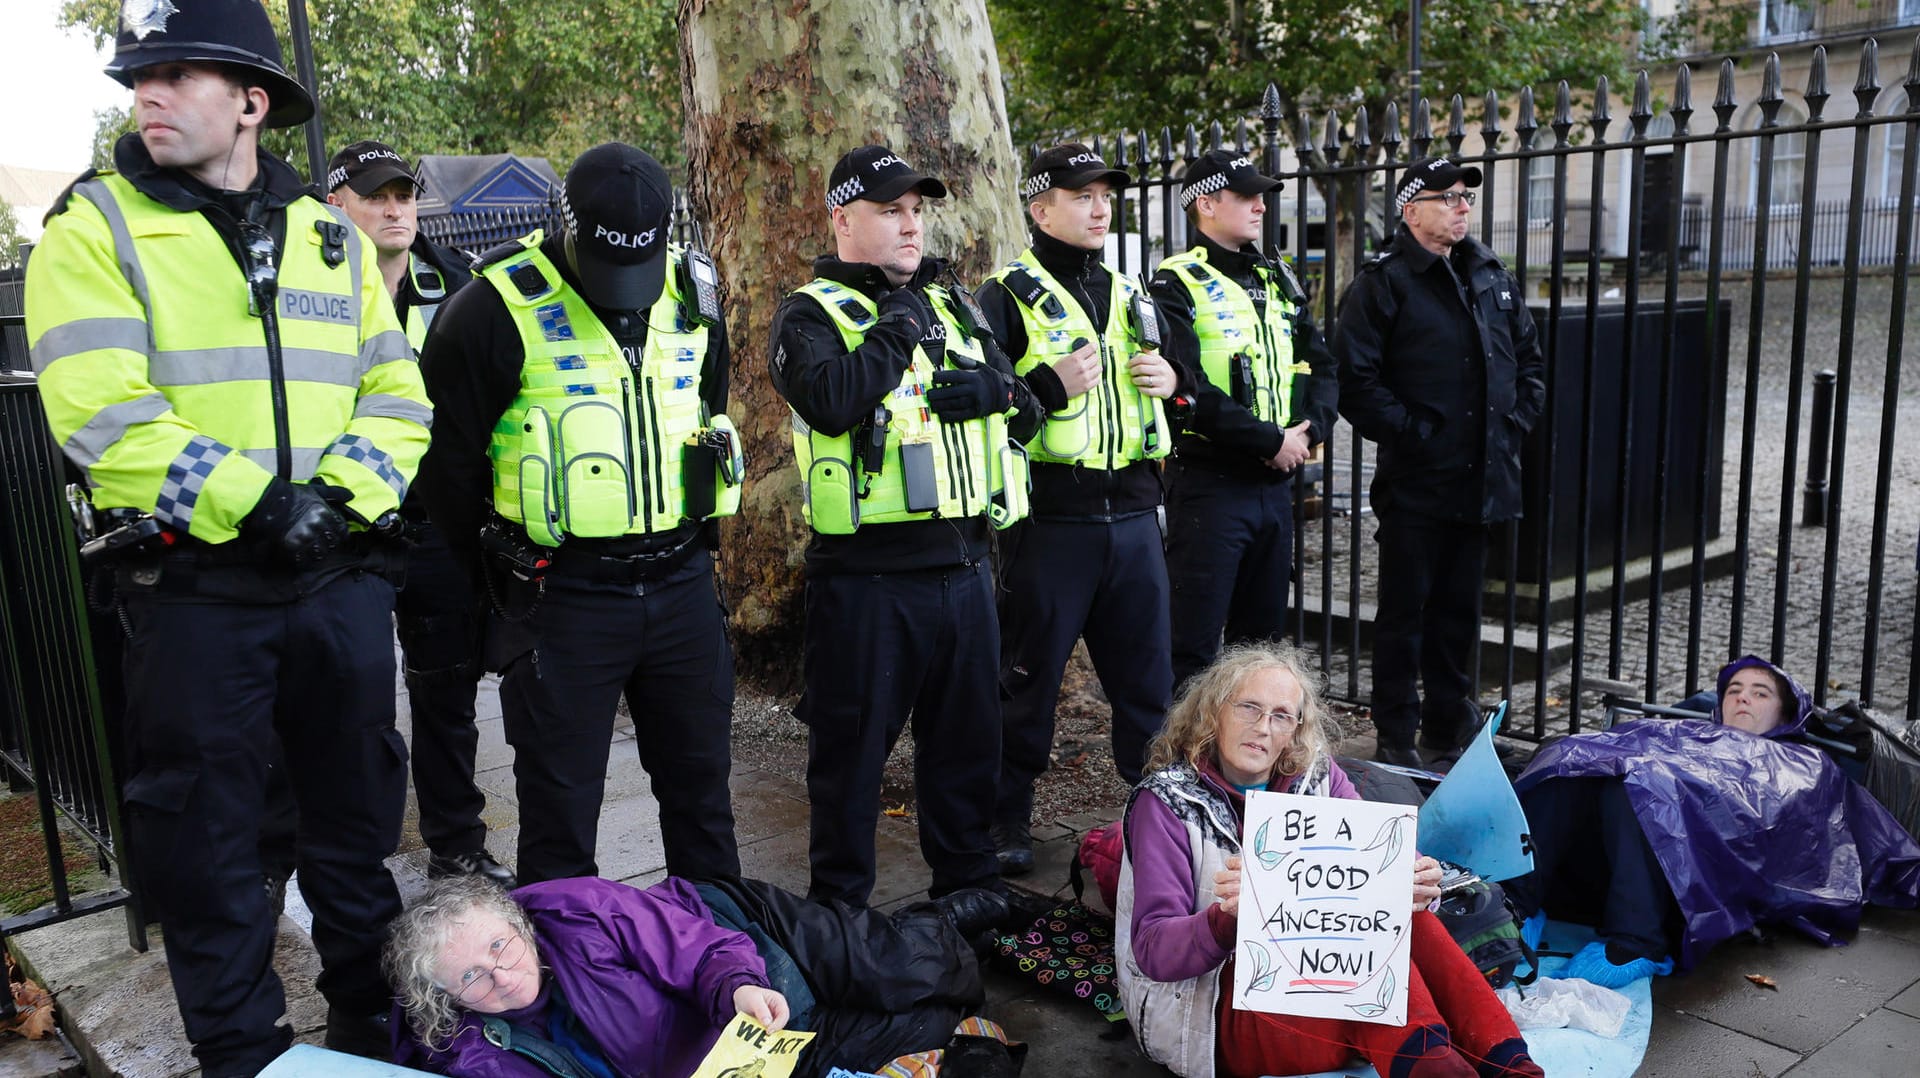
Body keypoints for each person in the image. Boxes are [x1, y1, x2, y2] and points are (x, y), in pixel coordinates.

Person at [22, 2, 431, 1072]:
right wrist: (258, 504)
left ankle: (369, 1035)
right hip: (196, 595)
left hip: (336, 584)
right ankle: (248, 1058)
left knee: (353, 837)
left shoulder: (328, 235)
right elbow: (101, 412)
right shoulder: (94, 230)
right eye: (139, 79)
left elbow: (398, 396)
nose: (148, 95)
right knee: (209, 855)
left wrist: (336, 500)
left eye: (176, 75)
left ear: (251, 102)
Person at [415, 143, 744, 886]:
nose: (623, 292)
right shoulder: (489, 309)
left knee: (702, 800)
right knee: (561, 816)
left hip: (683, 584)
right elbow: (445, 470)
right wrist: (502, 579)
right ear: (568, 228)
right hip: (562, 598)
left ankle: (725, 970)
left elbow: (705, 414)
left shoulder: (695, 295)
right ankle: (572, 983)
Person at [767, 145, 1042, 907]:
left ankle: (969, 892)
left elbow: (1033, 408)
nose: (911, 226)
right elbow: (830, 398)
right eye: (892, 211)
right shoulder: (807, 313)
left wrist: (997, 390)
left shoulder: (955, 302)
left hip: (964, 572)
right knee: (851, 761)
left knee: (965, 753)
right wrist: (897, 325)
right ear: (843, 219)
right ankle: (842, 914)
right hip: (868, 584)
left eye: (917, 210)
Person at [1116, 644, 1543, 1078]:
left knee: (1405, 916)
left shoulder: (1317, 777)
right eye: (1249, 708)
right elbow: (1155, 953)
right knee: (1371, 977)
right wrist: (1228, 919)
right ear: (1213, 711)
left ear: (1296, 728)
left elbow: (1381, 861)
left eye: (1282, 715)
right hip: (1209, 1011)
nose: (1263, 728)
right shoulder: (1165, 803)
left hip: (1316, 975)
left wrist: (1418, 879)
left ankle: (1515, 1066)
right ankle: (1438, 1066)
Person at [975, 143, 1177, 875]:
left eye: (1105, 195)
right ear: (1039, 208)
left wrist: (1170, 378)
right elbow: (985, 412)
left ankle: (1161, 822)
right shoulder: (1002, 296)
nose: (1100, 207)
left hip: (1131, 517)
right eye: (1081, 194)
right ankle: (1005, 820)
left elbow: (1172, 397)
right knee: (1024, 681)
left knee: (1149, 688)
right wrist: (1047, 384)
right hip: (1052, 524)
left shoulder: (1130, 291)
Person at [324, 139, 511, 887]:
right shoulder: (305, 295)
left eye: (405, 193)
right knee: (353, 707)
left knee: (447, 692)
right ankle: (349, 856)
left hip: (437, 526)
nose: (397, 206)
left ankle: (456, 842)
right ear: (336, 204)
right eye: (376, 195)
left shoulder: (462, 285)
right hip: (348, 530)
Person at [1507, 656, 1920, 987]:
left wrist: (1661, 780)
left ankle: (1638, 941)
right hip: (1623, 850)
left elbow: (1786, 828)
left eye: (1760, 693)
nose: (1743, 699)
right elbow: (1628, 748)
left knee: (1636, 784)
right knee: (1570, 762)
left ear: (1785, 712)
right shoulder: (1688, 732)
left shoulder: (1802, 761)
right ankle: (1516, 908)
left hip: (1691, 878)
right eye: (1735, 691)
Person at [1333, 156, 1545, 769]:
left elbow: (1528, 362)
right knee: (1405, 615)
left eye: (1465, 197)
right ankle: (1396, 735)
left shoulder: (1488, 273)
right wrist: (1415, 434)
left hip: (1482, 481)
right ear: (1411, 209)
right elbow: (1356, 381)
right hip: (1417, 483)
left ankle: (1451, 726)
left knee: (1460, 613)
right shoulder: (1385, 282)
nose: (1461, 206)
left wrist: (1514, 423)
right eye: (1447, 196)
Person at [386, 874, 993, 1078]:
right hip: (737, 1052)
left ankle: (938, 919)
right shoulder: (460, 1052)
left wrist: (740, 987)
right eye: (471, 976)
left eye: (499, 944)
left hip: (739, 935)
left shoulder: (574, 911)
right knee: (935, 1029)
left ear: (519, 922)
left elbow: (697, 950)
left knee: (900, 968)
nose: (500, 971)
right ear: (444, 998)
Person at [1149, 149, 1339, 695]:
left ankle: (1249, 765)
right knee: (1194, 646)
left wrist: (1307, 434)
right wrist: (1268, 440)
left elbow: (1322, 365)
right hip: (1211, 489)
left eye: (1262, 197)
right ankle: (1183, 770)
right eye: (1248, 196)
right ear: (1207, 204)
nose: (1261, 206)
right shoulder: (1175, 282)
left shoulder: (1276, 277)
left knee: (1261, 647)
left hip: (1276, 488)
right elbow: (1184, 386)